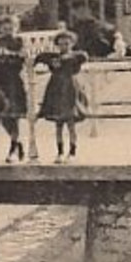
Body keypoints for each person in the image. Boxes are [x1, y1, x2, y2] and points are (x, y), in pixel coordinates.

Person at [35, 30, 90, 164]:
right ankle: (59, 152)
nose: (64, 47)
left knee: (71, 122)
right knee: (58, 124)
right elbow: (40, 57)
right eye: (61, 44)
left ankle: (72, 152)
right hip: (56, 88)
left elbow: (83, 56)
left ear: (72, 44)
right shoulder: (54, 57)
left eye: (67, 44)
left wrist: (67, 57)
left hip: (70, 88)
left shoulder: (76, 56)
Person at [0, 15, 29, 163]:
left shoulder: (19, 41)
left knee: (13, 116)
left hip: (13, 81)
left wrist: (10, 54)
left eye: (11, 28)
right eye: (5, 28)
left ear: (16, 28)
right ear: (0, 28)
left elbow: (24, 56)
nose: (8, 31)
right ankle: (16, 144)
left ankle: (13, 149)